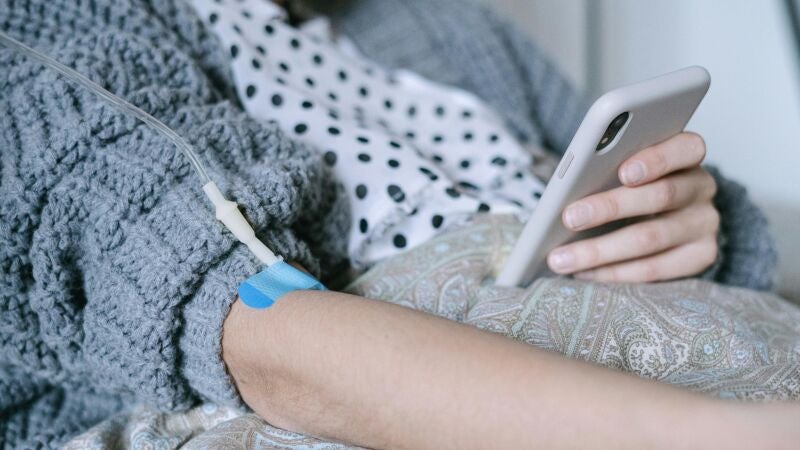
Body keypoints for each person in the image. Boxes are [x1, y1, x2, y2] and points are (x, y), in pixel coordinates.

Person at [0, 0, 789, 448]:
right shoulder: (52, 42)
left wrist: (682, 220)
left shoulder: (441, 24)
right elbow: (268, 343)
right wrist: (722, 438)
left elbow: (603, 179)